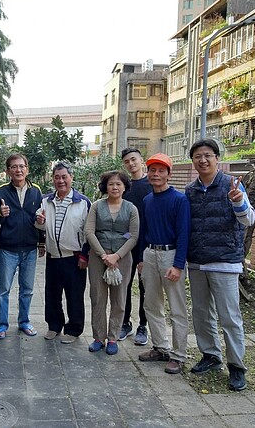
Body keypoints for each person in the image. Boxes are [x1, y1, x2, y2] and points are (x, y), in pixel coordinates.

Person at [185, 139, 255, 391]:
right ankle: (211, 356)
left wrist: (238, 201)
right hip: (197, 263)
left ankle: (236, 366)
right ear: (193, 161)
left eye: (207, 155)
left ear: (216, 158)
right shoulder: (190, 190)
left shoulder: (231, 185)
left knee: (229, 318)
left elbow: (248, 219)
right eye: (197, 156)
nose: (202, 160)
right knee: (202, 313)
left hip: (225, 262)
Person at [137, 153, 190, 375]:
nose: (156, 174)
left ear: (169, 173)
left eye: (161, 170)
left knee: (177, 308)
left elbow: (184, 234)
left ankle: (179, 355)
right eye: (152, 170)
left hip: (171, 255)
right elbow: (143, 231)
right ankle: (160, 347)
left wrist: (178, 265)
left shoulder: (179, 200)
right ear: (147, 172)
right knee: (151, 304)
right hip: (150, 254)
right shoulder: (148, 200)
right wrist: (141, 258)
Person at [35, 161, 91, 344]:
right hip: (53, 257)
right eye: (57, 177)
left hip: (74, 258)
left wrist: (85, 254)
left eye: (64, 177)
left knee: (74, 295)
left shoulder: (83, 202)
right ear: (53, 179)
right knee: (52, 294)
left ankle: (74, 329)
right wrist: (40, 222)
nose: (61, 181)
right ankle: (54, 326)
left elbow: (89, 232)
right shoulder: (46, 200)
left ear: (71, 178)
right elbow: (38, 224)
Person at [0, 153, 45, 339]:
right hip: (8, 249)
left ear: (27, 169)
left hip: (30, 248)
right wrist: (0, 212)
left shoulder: (36, 191)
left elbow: (41, 217)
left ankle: (24, 322)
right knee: (3, 290)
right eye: (14, 167)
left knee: (27, 289)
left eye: (22, 166)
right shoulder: (1, 192)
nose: (18, 170)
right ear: (7, 171)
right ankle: (1, 325)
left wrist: (41, 242)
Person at [85, 171, 139, 355]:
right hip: (98, 258)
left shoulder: (131, 208)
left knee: (119, 299)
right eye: (111, 184)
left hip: (122, 259)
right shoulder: (96, 206)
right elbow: (89, 232)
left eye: (118, 184)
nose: (115, 187)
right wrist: (103, 255)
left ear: (125, 187)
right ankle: (98, 337)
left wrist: (116, 256)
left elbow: (134, 236)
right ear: (105, 187)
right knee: (98, 298)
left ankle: (113, 337)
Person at [120, 148, 152, 345]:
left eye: (133, 160)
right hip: (127, 243)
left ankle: (143, 325)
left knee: (144, 287)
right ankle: (125, 323)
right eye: (126, 162)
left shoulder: (151, 184)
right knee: (124, 286)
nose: (131, 164)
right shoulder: (125, 186)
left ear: (142, 161)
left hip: (147, 243)